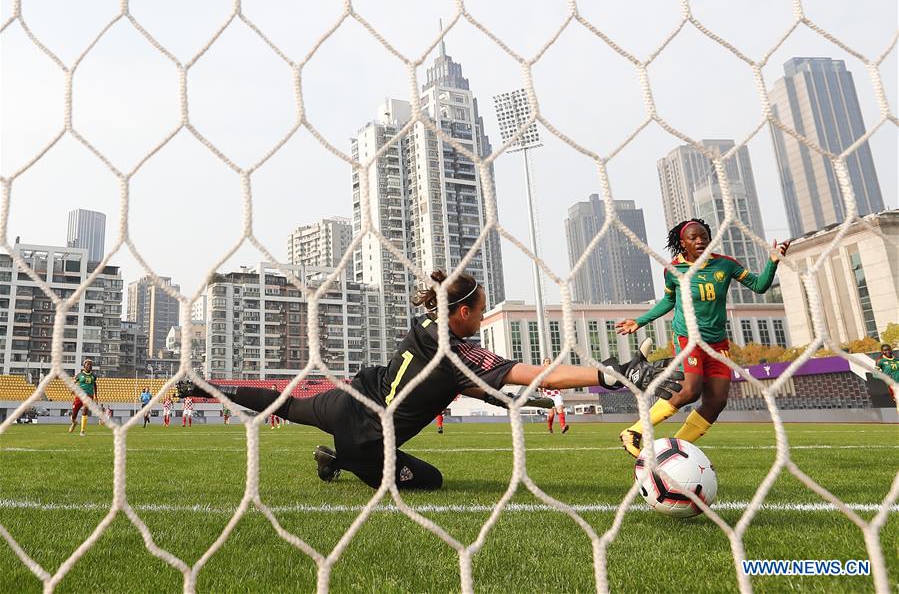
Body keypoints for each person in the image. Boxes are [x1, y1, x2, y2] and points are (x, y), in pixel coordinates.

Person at [177, 270, 682, 490]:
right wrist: (615, 374)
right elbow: (536, 372)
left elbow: (458, 382)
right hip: (369, 439)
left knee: (284, 403)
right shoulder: (458, 352)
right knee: (430, 481)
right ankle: (339, 461)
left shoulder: (425, 327)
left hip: (349, 398)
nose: (481, 318)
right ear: (461, 314)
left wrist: (505, 400)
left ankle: (202, 385)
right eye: (479, 311)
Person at [615, 218, 789, 457]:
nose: (700, 241)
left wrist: (772, 261)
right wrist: (640, 321)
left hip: (717, 342)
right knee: (690, 390)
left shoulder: (725, 265)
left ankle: (673, 451)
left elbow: (759, 286)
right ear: (682, 243)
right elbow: (669, 300)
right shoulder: (673, 270)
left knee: (716, 401)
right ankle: (634, 431)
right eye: (693, 238)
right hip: (689, 339)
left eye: (704, 237)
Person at [69, 359, 99, 436]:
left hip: (89, 395)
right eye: (88, 364)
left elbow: (94, 385)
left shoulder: (93, 376)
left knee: (85, 410)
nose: (90, 366)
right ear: (84, 366)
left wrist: (96, 396)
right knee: (74, 413)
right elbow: (73, 382)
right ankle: (74, 423)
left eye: (91, 365)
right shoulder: (79, 375)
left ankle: (82, 431)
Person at [540, 358, 568, 434]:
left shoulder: (554, 372)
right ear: (544, 364)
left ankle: (563, 427)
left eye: (549, 361)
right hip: (548, 395)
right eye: (546, 361)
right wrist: (541, 391)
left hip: (557, 394)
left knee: (560, 410)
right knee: (551, 414)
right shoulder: (541, 373)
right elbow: (539, 384)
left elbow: (558, 382)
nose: (548, 362)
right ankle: (550, 428)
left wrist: (562, 388)